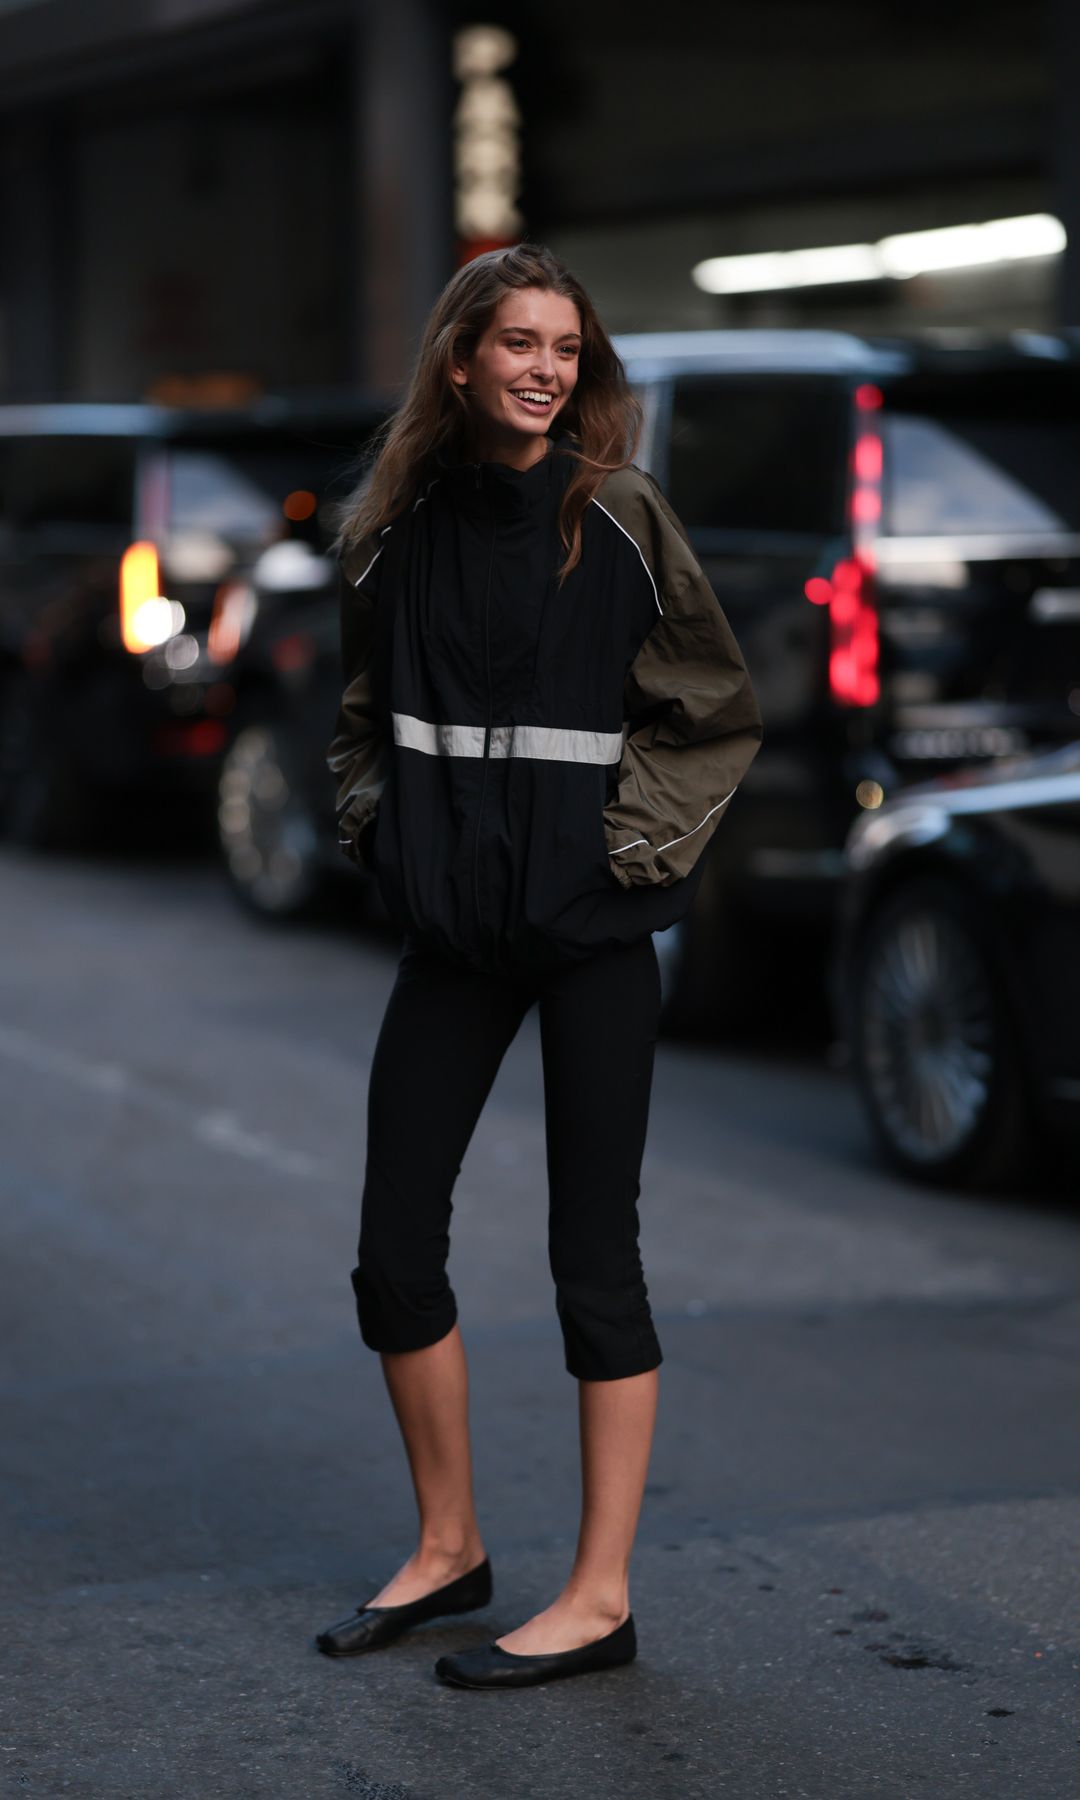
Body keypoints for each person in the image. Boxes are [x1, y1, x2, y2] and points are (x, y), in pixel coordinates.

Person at [315, 243, 762, 1691]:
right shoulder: (392, 535)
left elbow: (710, 713)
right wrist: (383, 839)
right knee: (393, 1249)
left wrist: (618, 861)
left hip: (586, 942)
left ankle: (599, 1594)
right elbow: (365, 719)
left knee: (595, 1263)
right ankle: (450, 1546)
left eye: (565, 349)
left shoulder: (620, 518)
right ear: (459, 360)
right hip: (451, 937)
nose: (543, 369)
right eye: (517, 343)